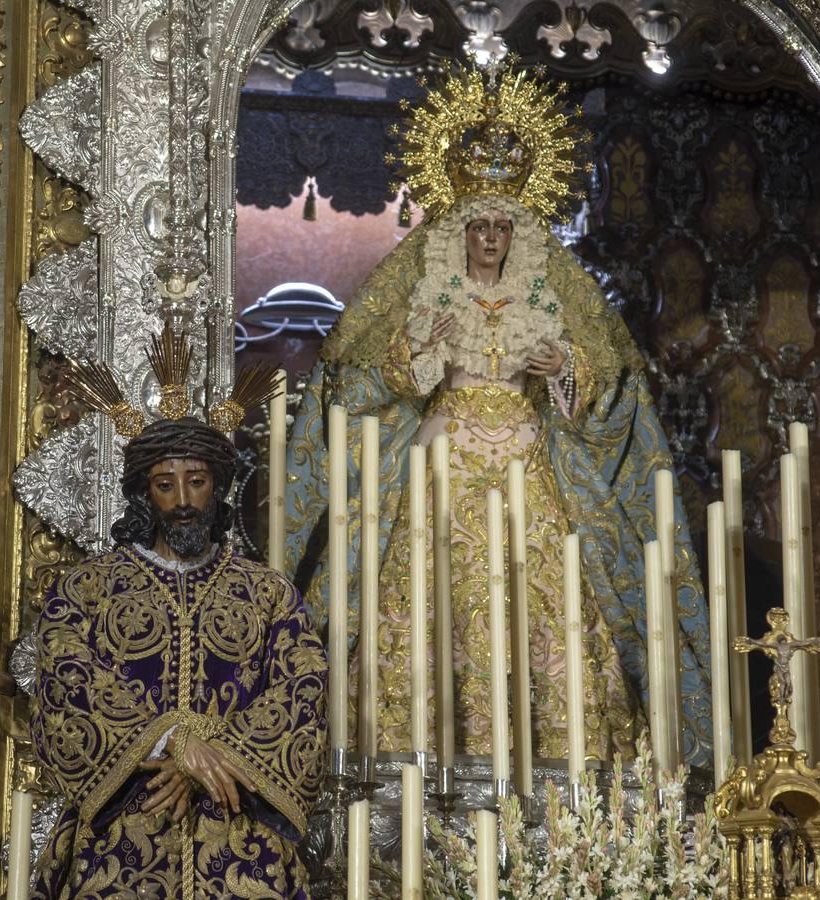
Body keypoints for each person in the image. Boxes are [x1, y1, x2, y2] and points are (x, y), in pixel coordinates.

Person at [283, 64, 714, 768]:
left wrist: (566, 371)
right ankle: (408, 766)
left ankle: (558, 772)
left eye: (501, 226)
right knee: (423, 603)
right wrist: (413, 356)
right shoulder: (429, 293)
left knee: (548, 601)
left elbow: (607, 384)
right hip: (442, 456)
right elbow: (366, 378)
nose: (489, 237)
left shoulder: (547, 300)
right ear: (461, 232)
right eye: (478, 225)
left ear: (518, 233)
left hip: (527, 456)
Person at [31, 346, 327, 898]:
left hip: (238, 823)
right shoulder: (90, 589)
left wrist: (214, 756)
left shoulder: (268, 594)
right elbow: (65, 673)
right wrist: (171, 740)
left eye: (197, 481)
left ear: (218, 487)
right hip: (125, 825)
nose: (184, 500)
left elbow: (302, 687)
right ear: (146, 492)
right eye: (167, 485)